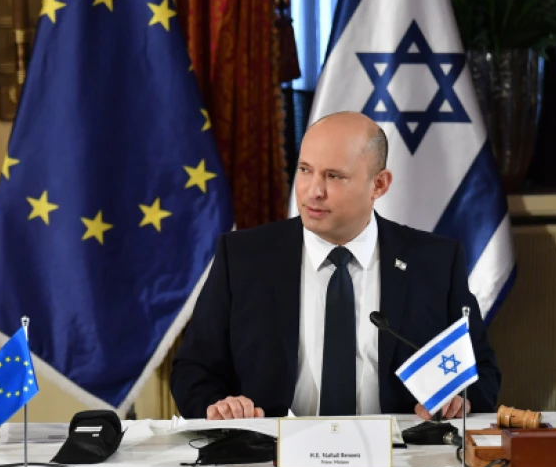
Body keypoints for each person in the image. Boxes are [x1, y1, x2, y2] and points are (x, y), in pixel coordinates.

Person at [170, 112, 500, 421]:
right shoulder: (243, 257)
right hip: (270, 462)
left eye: (334, 176)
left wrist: (461, 402)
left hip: (400, 461)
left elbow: (481, 372)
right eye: (305, 170)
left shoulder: (434, 263)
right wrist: (220, 407)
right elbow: (193, 371)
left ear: (379, 185)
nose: (314, 191)